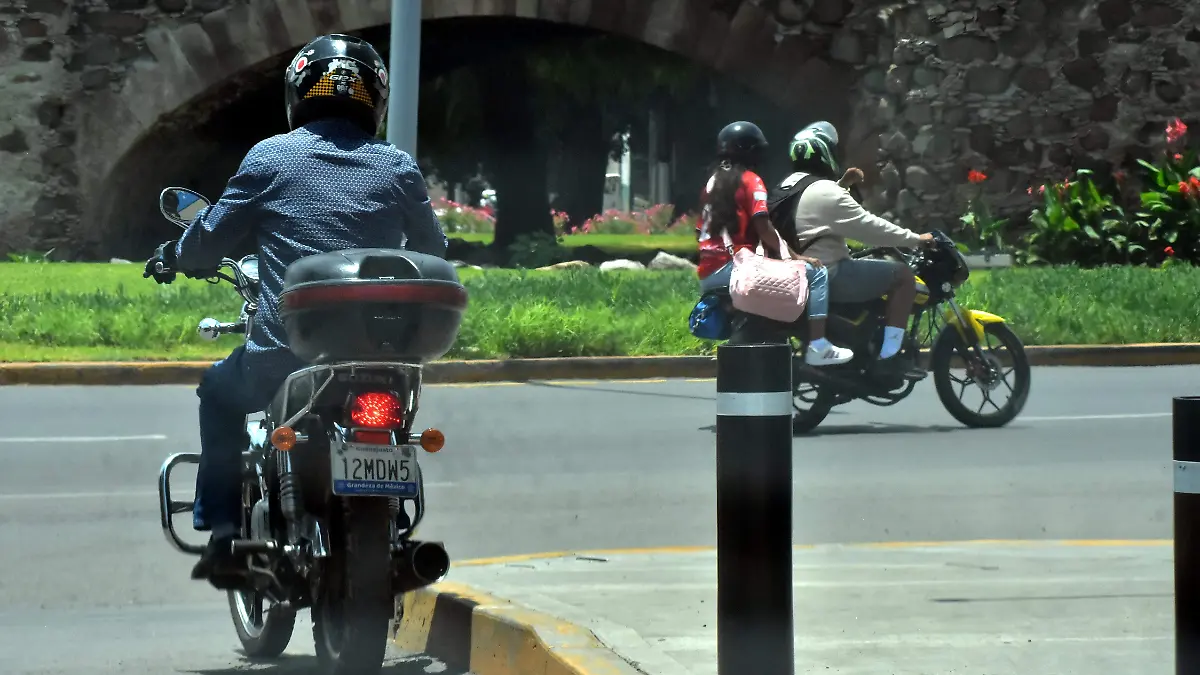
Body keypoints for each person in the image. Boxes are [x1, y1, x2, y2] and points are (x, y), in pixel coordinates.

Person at [143, 33, 448, 589]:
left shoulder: (271, 158)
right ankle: (396, 528)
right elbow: (434, 251)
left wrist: (174, 255)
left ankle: (225, 537)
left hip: (286, 355)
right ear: (374, 100)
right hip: (384, 354)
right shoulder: (396, 166)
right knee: (396, 429)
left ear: (299, 93)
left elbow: (209, 239)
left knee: (218, 392)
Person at [775, 121, 934, 376]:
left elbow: (813, 213)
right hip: (827, 275)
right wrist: (915, 238)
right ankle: (890, 356)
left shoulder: (784, 188)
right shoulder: (825, 191)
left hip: (791, 274)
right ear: (825, 153)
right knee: (903, 276)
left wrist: (842, 185)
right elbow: (869, 227)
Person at [696, 121, 853, 366]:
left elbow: (702, 231)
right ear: (751, 151)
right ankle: (819, 345)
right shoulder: (751, 181)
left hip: (708, 274)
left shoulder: (712, 182)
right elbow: (765, 228)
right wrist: (795, 257)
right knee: (817, 273)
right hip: (736, 270)